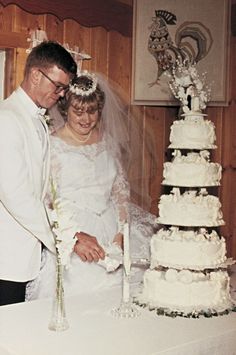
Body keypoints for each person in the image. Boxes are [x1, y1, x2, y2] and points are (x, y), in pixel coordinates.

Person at [26, 70, 158, 300]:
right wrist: (72, 237)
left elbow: (120, 190)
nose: (86, 119)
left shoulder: (108, 143)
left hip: (111, 226)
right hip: (75, 231)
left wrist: (121, 230)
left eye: (92, 111)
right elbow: (46, 202)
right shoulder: (52, 146)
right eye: (78, 112)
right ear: (65, 109)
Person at [0, 41, 77, 306]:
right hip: (5, 257)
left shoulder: (36, 118)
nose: (62, 94)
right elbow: (16, 195)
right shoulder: (7, 119)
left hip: (25, 255)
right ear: (35, 75)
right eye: (58, 86)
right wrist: (64, 238)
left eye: (64, 88)